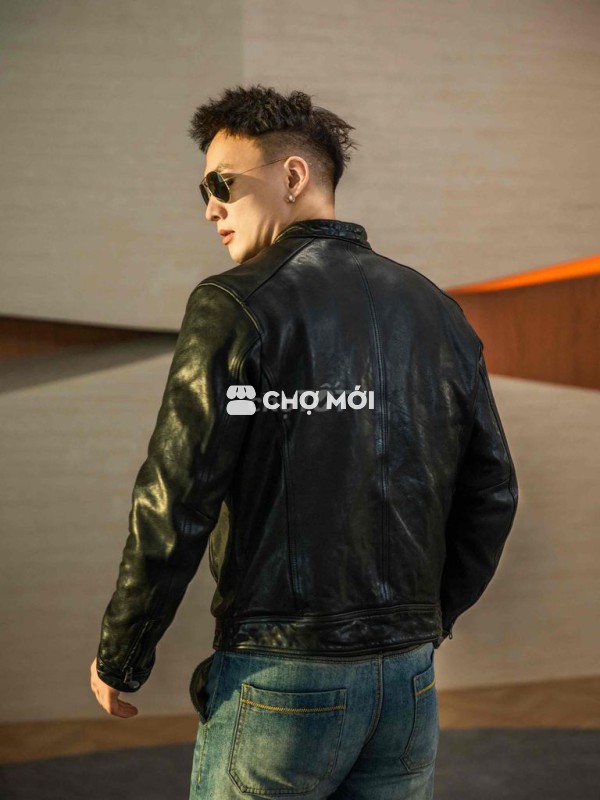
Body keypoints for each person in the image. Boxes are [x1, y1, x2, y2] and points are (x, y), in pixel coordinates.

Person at [90, 84, 519, 799]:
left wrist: (122, 653)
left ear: (292, 176)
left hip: (281, 678)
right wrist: (424, 623)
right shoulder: (436, 309)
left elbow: (175, 499)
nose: (210, 209)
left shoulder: (233, 304)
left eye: (222, 184)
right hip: (408, 685)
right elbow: (493, 492)